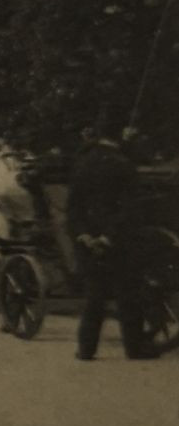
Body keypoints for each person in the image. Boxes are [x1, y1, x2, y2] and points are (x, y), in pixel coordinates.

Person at [68, 128, 153, 360]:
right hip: (119, 239)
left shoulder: (82, 165)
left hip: (88, 239)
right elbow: (129, 208)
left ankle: (86, 349)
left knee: (94, 296)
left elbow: (73, 208)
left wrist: (85, 235)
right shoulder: (124, 165)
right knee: (128, 294)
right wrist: (109, 236)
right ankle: (134, 349)